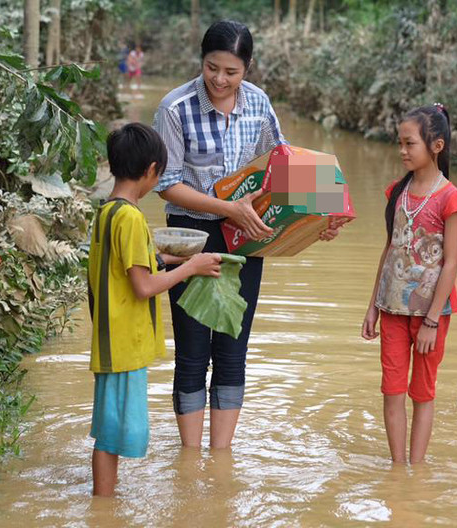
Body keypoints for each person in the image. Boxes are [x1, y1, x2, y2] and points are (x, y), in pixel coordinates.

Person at [153, 20, 341, 450]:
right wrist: (227, 209)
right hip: (190, 238)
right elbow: (168, 182)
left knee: (233, 349)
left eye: (231, 72)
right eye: (211, 67)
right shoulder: (174, 108)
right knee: (192, 351)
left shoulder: (258, 103)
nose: (219, 79)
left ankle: (220, 458)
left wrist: (325, 213)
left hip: (246, 238)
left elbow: (285, 164)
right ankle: (190, 457)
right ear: (201, 61)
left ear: (247, 69)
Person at [87, 123, 222, 496]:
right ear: (151, 171)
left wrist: (166, 257)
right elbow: (143, 286)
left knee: (108, 428)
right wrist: (190, 268)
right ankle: (104, 504)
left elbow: (129, 265)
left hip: (109, 338)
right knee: (113, 434)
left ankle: (104, 503)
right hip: (124, 342)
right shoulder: (130, 218)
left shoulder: (108, 213)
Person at [362, 105, 457, 465]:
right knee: (392, 390)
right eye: (400, 143)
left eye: (409, 143)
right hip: (391, 309)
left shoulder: (450, 198)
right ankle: (397, 469)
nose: (402, 150)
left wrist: (432, 322)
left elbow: (450, 262)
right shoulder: (397, 192)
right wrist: (373, 305)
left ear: (436, 145)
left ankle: (416, 469)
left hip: (429, 316)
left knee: (422, 393)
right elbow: (390, 249)